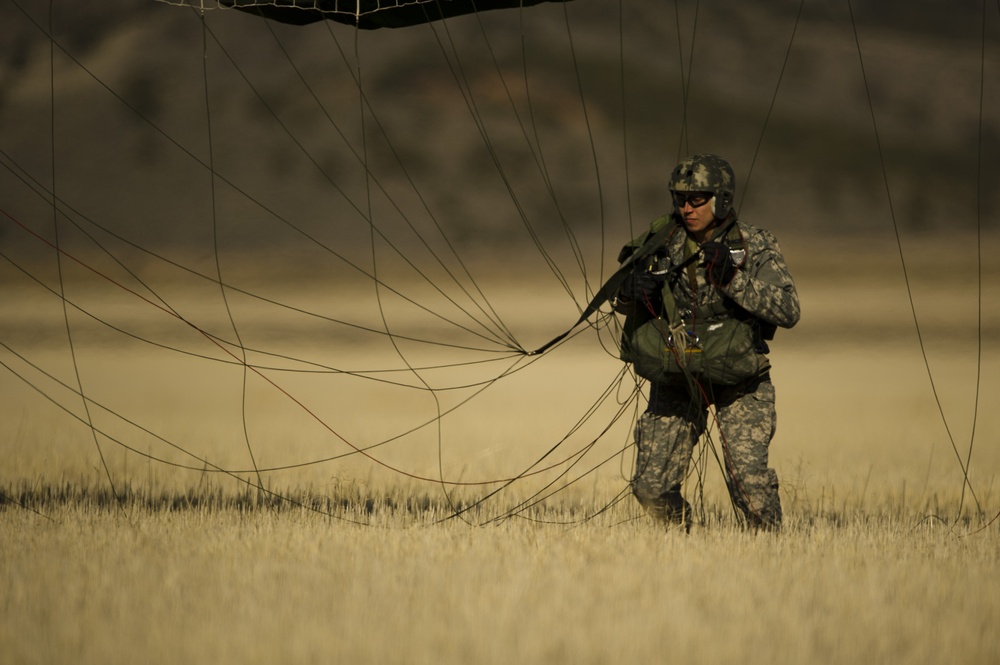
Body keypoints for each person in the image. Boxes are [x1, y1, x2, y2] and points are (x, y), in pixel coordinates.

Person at [613, 154, 800, 530]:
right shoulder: (659, 243)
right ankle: (683, 543)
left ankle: (769, 559)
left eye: (697, 199)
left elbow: (788, 309)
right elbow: (623, 300)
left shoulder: (753, 245)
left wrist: (732, 279)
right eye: (680, 198)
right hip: (678, 377)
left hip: (740, 380)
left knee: (751, 489)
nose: (686, 208)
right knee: (650, 488)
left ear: (722, 199)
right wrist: (631, 293)